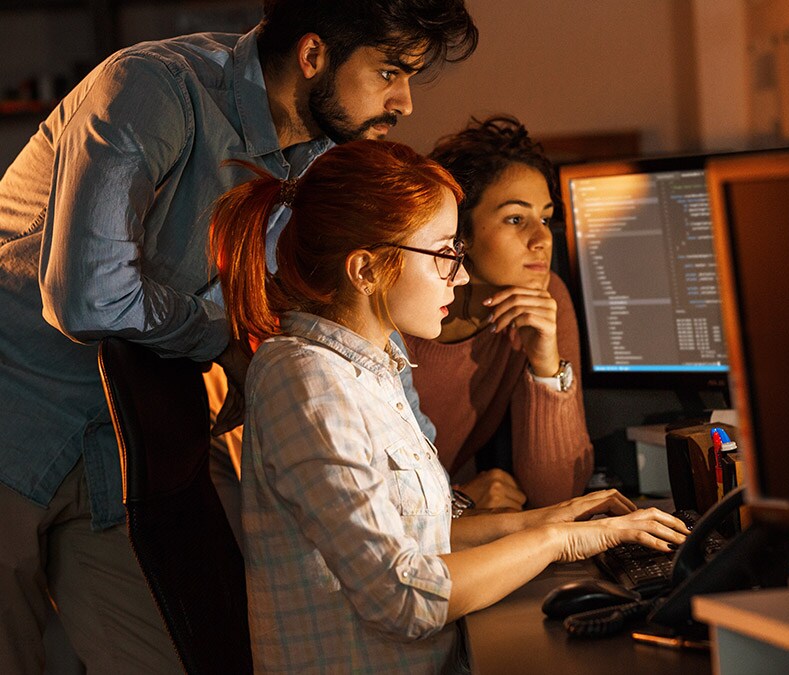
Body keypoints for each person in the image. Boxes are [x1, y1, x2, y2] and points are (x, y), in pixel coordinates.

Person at [0, 2, 478, 672]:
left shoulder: (321, 163)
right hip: (15, 416)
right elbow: (88, 295)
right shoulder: (151, 88)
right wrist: (216, 336)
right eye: (390, 72)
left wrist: (427, 475)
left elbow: (342, 324)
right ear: (314, 56)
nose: (402, 100)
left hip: (119, 449)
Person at [209, 139, 689, 673]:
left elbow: (421, 536)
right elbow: (403, 597)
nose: (459, 276)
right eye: (443, 254)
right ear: (366, 271)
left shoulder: (374, 364)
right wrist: (561, 539)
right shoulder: (308, 380)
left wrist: (556, 517)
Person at [405, 115, 592, 512]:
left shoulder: (543, 299)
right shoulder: (402, 306)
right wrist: (457, 502)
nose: (542, 239)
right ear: (460, 232)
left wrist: (545, 364)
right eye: (515, 219)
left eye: (544, 218)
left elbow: (557, 496)